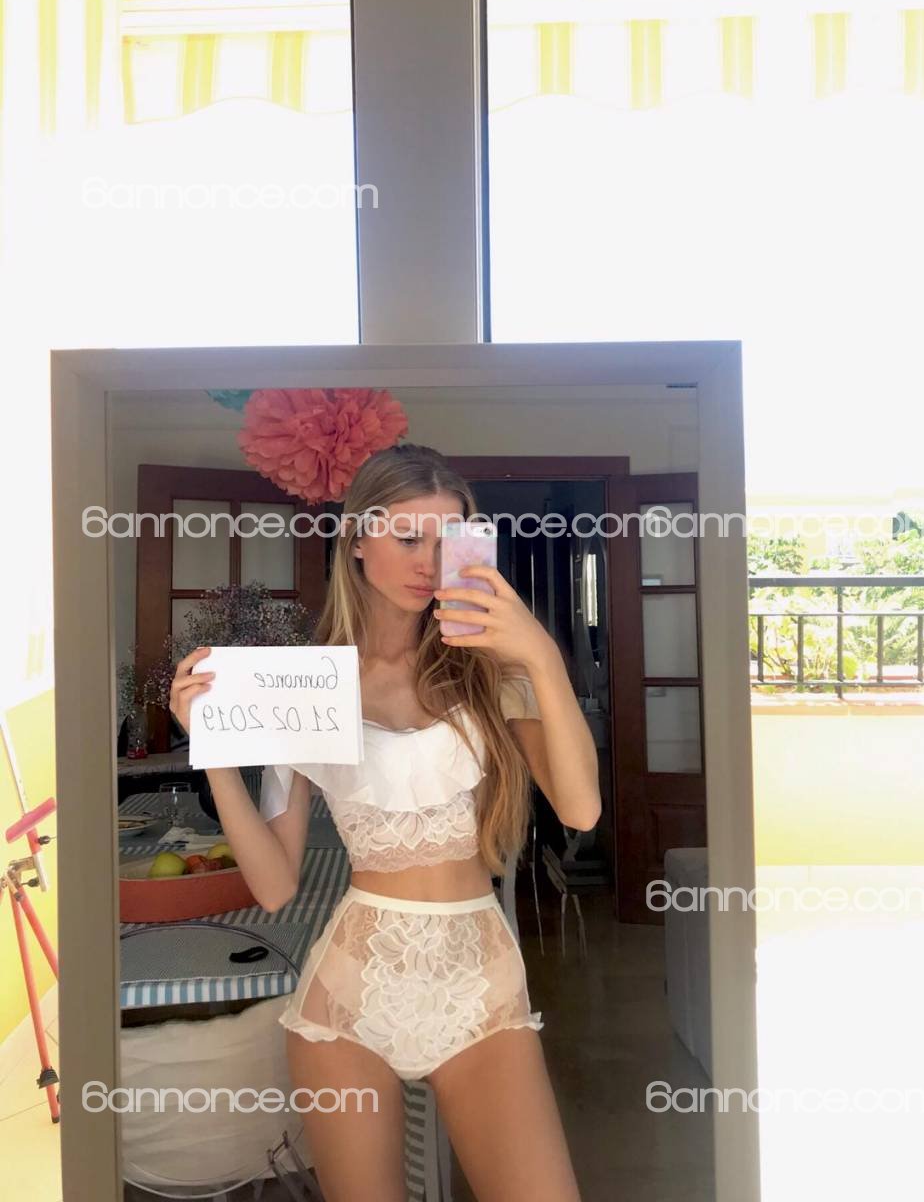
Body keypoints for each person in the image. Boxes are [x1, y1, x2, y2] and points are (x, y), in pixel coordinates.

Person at [169, 443, 601, 1201]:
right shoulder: (304, 684)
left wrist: (540, 653)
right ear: (357, 539)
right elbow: (274, 885)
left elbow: (580, 808)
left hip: (480, 988)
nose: (429, 563)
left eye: (448, 541)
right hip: (350, 997)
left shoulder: (490, 668)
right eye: (408, 537)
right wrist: (214, 753)